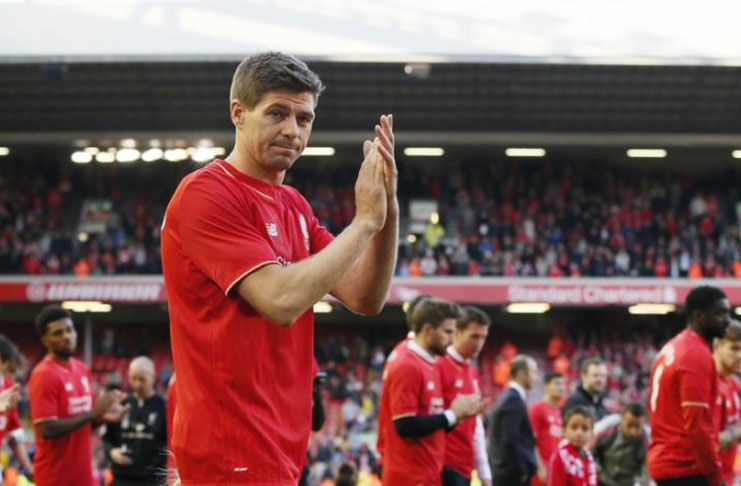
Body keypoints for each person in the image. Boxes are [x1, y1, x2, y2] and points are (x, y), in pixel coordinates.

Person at [161, 52, 398, 484]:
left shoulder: (294, 205)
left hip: (280, 444)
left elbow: (366, 296)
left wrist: (387, 213)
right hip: (228, 446)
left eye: (304, 119)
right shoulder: (206, 193)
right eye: (277, 113)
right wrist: (363, 222)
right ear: (239, 113)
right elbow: (280, 300)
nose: (292, 130)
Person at [377, 298, 482, 486]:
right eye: (447, 332)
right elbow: (405, 425)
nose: (452, 339)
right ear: (427, 330)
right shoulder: (407, 365)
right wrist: (452, 415)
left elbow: (430, 421)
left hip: (428, 473)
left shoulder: (428, 360)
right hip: (410, 476)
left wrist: (459, 415)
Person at [29, 305, 128, 486]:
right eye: (58, 333)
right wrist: (94, 414)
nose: (67, 336)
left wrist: (104, 417)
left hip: (83, 476)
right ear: (45, 340)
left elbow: (83, 423)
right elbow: (46, 429)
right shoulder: (44, 374)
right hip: (55, 478)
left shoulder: (81, 369)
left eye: (69, 329)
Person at [648, 285, 731, 486]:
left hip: (666, 463)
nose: (727, 320)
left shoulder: (672, 347)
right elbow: (697, 424)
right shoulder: (695, 354)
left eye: (727, 313)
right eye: (720, 313)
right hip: (685, 468)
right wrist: (714, 474)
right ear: (698, 316)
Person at [437, 305, 493, 486]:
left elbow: (475, 425)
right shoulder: (439, 365)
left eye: (483, 337)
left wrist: (484, 471)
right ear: (458, 332)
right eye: (474, 336)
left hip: (465, 467)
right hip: (443, 466)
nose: (479, 343)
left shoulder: (471, 371)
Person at [104, 356, 168, 486]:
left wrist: (152, 463)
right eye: (133, 378)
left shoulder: (164, 407)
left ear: (153, 376)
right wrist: (112, 452)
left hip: (151, 481)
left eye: (142, 379)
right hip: (121, 478)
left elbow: (167, 442)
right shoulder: (121, 405)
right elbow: (107, 438)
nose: (138, 384)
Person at [488, 354, 538, 486]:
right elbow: (510, 439)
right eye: (533, 372)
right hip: (511, 477)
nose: (536, 378)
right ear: (521, 373)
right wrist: (521, 471)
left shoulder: (509, 397)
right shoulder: (513, 400)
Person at [591, 403, 649, 486]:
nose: (633, 431)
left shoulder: (645, 442)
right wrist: (598, 472)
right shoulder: (607, 431)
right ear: (622, 419)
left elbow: (645, 471)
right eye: (630, 425)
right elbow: (591, 454)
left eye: (637, 427)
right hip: (602, 480)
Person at [0, 335, 33, 478]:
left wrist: (30, 469)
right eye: (11, 371)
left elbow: (15, 435)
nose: (14, 380)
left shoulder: (7, 389)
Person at [713, 320, 741, 486]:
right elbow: (708, 442)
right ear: (717, 345)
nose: (740, 356)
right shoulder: (707, 385)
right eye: (734, 348)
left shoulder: (733, 383)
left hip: (726, 477)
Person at [529, 372, 566, 486]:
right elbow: (531, 441)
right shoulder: (536, 409)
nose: (561, 388)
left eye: (563, 384)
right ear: (546, 386)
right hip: (542, 469)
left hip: (556, 468)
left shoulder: (561, 411)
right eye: (557, 384)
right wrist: (540, 467)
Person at [548, 406, 599, 486]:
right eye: (574, 427)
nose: (579, 433)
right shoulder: (560, 456)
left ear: (592, 434)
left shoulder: (589, 457)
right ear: (564, 430)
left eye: (585, 429)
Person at [562, 358, 608, 423]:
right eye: (595, 375)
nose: (600, 380)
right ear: (584, 376)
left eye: (603, 376)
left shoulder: (601, 405)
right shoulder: (574, 402)